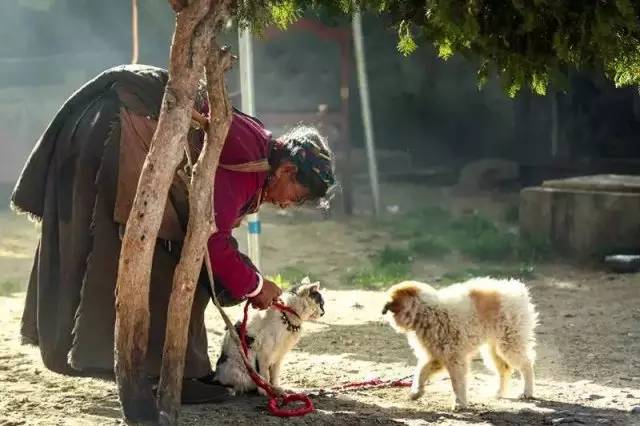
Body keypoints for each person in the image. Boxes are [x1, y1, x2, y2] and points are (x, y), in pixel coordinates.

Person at [11, 64, 336, 403]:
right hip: (114, 131)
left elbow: (210, 226)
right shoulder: (249, 165)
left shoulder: (260, 149)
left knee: (174, 258)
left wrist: (244, 278)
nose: (285, 205)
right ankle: (167, 375)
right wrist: (254, 284)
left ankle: (155, 369)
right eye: (294, 196)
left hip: (106, 124)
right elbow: (208, 238)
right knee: (172, 261)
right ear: (287, 170)